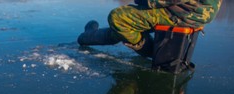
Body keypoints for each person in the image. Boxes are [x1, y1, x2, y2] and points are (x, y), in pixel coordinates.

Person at [77, 0, 222, 58]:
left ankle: (150, 49)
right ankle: (88, 36)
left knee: (118, 18)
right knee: (128, 25)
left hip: (182, 14)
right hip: (191, 12)